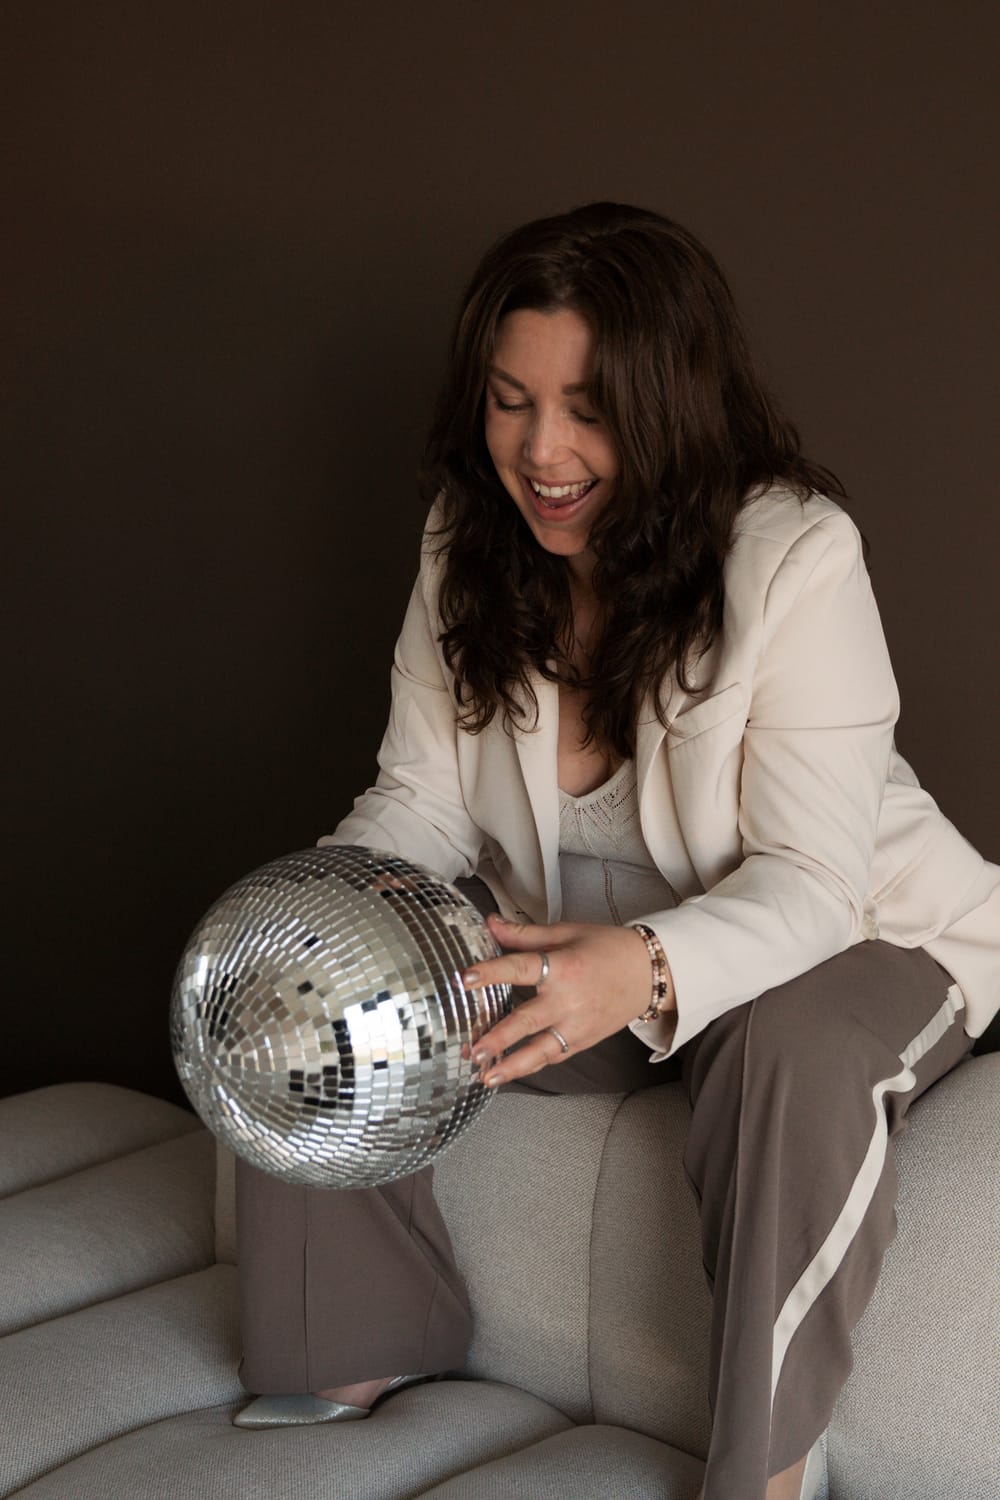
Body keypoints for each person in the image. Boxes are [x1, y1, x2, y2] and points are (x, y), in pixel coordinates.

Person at [231, 203, 1000, 1500]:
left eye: (588, 409)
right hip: (566, 939)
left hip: (852, 931)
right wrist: (322, 919)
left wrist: (637, 967)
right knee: (329, 959)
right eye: (510, 402)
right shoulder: (466, 540)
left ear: (670, 406)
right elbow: (419, 803)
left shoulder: (796, 554)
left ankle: (767, 1470)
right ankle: (349, 1346)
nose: (543, 452)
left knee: (788, 1047)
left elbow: (814, 881)